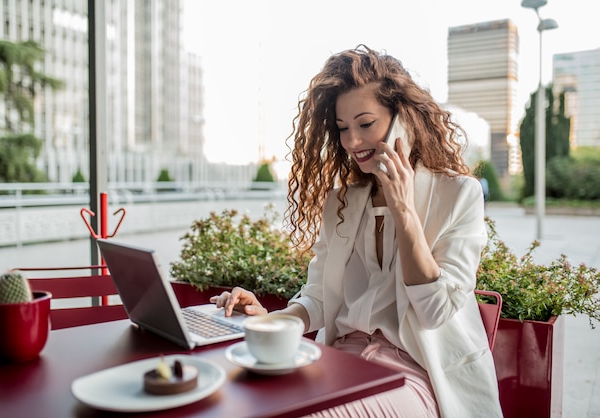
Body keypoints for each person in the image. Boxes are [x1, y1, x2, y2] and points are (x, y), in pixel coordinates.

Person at [210, 45, 502, 417]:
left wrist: (403, 208)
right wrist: (267, 319)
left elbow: (434, 311)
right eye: (343, 129)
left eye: (366, 124)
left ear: (403, 120)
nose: (351, 142)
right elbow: (318, 298)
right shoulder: (344, 200)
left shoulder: (458, 194)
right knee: (241, 399)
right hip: (336, 360)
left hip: (414, 373)